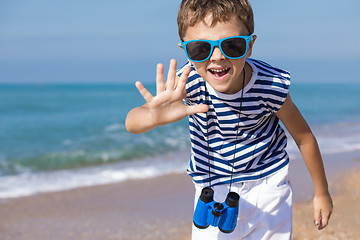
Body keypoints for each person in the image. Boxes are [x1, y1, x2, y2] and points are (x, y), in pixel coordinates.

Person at [125, 0, 333, 239]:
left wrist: (321, 192)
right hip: (211, 190)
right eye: (200, 49)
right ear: (185, 49)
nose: (217, 57)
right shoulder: (187, 81)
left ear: (250, 45)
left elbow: (304, 137)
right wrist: (153, 117)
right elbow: (131, 122)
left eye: (232, 46)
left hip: (268, 187)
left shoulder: (270, 85)